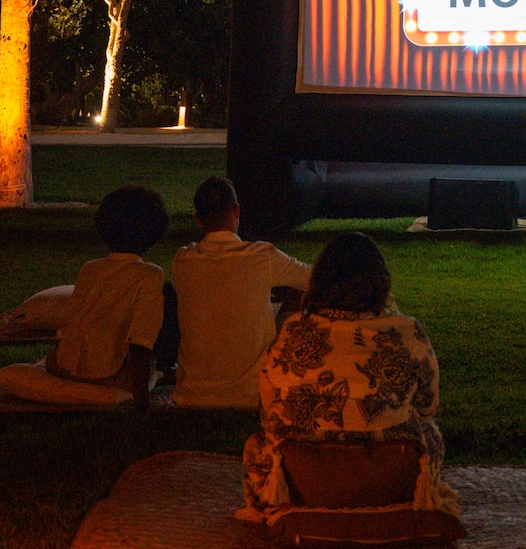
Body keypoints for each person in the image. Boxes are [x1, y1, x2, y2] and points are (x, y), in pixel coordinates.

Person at [238, 231, 459, 523]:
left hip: (306, 481)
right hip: (391, 480)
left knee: (259, 444)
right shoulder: (407, 331)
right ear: (381, 281)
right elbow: (428, 406)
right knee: (428, 431)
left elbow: (268, 407)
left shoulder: (293, 331)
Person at [0, 185, 176, 412]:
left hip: (65, 367)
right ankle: (168, 367)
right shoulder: (150, 276)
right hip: (113, 375)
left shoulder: (89, 270)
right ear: (154, 233)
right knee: (167, 298)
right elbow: (141, 344)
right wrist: (142, 404)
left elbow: (71, 323)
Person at [170, 176, 313, 409]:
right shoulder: (261, 256)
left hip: (191, 395)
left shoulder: (183, 260)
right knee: (299, 294)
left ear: (198, 220)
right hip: (251, 395)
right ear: (236, 211)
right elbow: (314, 278)